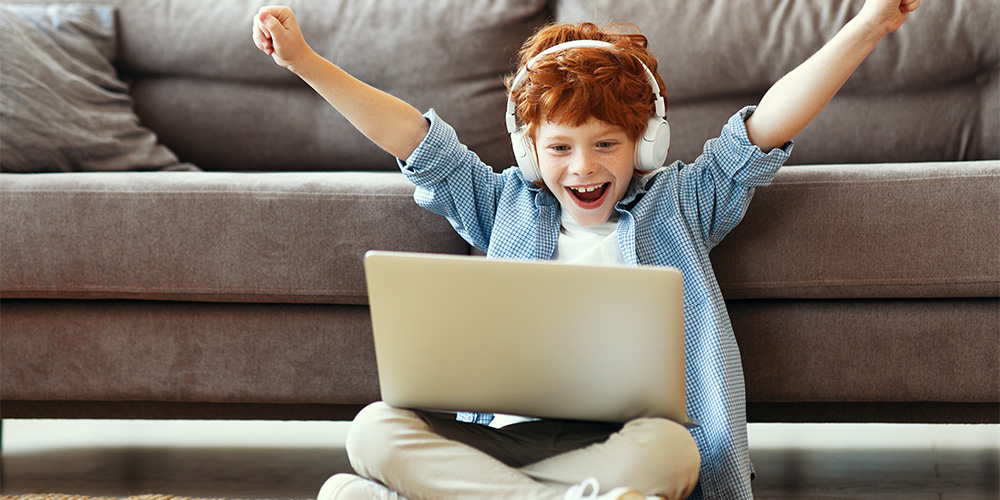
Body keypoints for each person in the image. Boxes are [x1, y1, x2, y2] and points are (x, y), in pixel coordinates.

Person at [252, 1, 920, 499]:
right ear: (529, 151)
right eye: (561, 148)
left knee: (677, 454)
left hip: (626, 446)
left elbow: (767, 126)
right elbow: (411, 139)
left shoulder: (681, 203)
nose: (583, 168)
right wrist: (303, 60)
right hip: (506, 444)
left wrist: (869, 22)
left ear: (645, 144)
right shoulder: (501, 203)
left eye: (607, 144)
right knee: (372, 431)